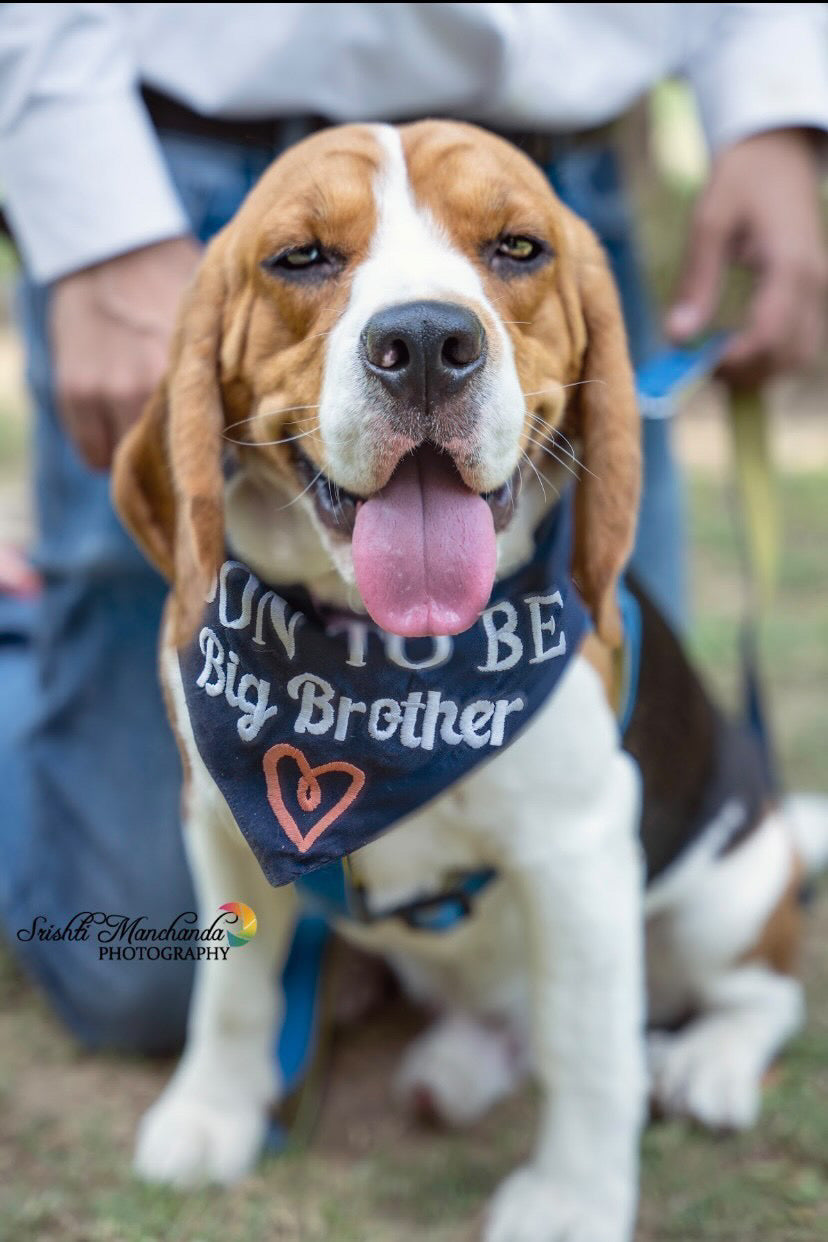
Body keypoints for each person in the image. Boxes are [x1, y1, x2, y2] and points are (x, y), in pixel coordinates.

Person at [0, 3, 826, 1053]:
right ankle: (20, 635)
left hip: (566, 172)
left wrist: (773, 101)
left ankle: (479, 247)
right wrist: (93, 213)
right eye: (316, 258)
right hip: (171, 171)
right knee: (144, 972)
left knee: (620, 814)